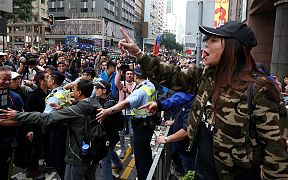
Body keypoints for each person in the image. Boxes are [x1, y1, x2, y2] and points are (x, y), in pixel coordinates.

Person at [117, 22, 288, 179]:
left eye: (213, 40)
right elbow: (171, 76)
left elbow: (276, 155)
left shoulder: (261, 89)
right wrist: (138, 53)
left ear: (232, 47)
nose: (206, 43)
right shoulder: (208, 76)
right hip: (202, 170)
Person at [0, 79, 102, 180]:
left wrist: (17, 115)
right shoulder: (94, 103)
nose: (72, 92)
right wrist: (63, 107)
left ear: (80, 92)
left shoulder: (78, 108)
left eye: (74, 90)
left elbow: (47, 118)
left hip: (78, 155)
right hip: (94, 152)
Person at [97, 67, 158, 180]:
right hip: (149, 123)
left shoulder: (140, 91)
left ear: (136, 76)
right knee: (145, 151)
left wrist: (108, 111)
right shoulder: (150, 85)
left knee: (140, 155)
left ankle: (143, 176)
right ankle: (149, 172)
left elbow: (126, 103)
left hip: (142, 125)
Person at [95, 80, 123, 179]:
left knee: (105, 160)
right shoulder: (100, 99)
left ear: (104, 90)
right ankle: (118, 164)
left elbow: (99, 113)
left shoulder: (110, 103)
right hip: (107, 135)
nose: (95, 90)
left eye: (97, 88)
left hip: (110, 136)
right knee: (110, 152)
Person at [115, 65, 136, 158]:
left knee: (132, 133)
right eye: (127, 74)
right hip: (122, 112)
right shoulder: (121, 84)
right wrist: (119, 71)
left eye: (131, 74)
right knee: (121, 133)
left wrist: (129, 92)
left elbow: (135, 97)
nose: (129, 75)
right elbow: (116, 82)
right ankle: (123, 150)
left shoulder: (136, 85)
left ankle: (133, 148)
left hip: (132, 112)